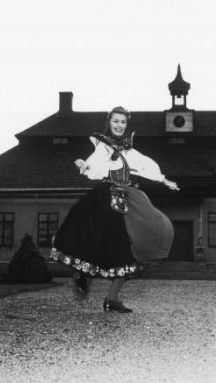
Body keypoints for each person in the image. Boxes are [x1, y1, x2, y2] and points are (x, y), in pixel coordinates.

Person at [50, 106, 179, 313]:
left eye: (123, 122)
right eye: (116, 121)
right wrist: (85, 165)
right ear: (109, 122)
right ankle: (83, 275)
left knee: (132, 245)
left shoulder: (128, 149)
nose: (119, 125)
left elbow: (144, 165)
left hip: (127, 197)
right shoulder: (103, 146)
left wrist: (164, 180)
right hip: (105, 198)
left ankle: (111, 298)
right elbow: (94, 165)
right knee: (99, 240)